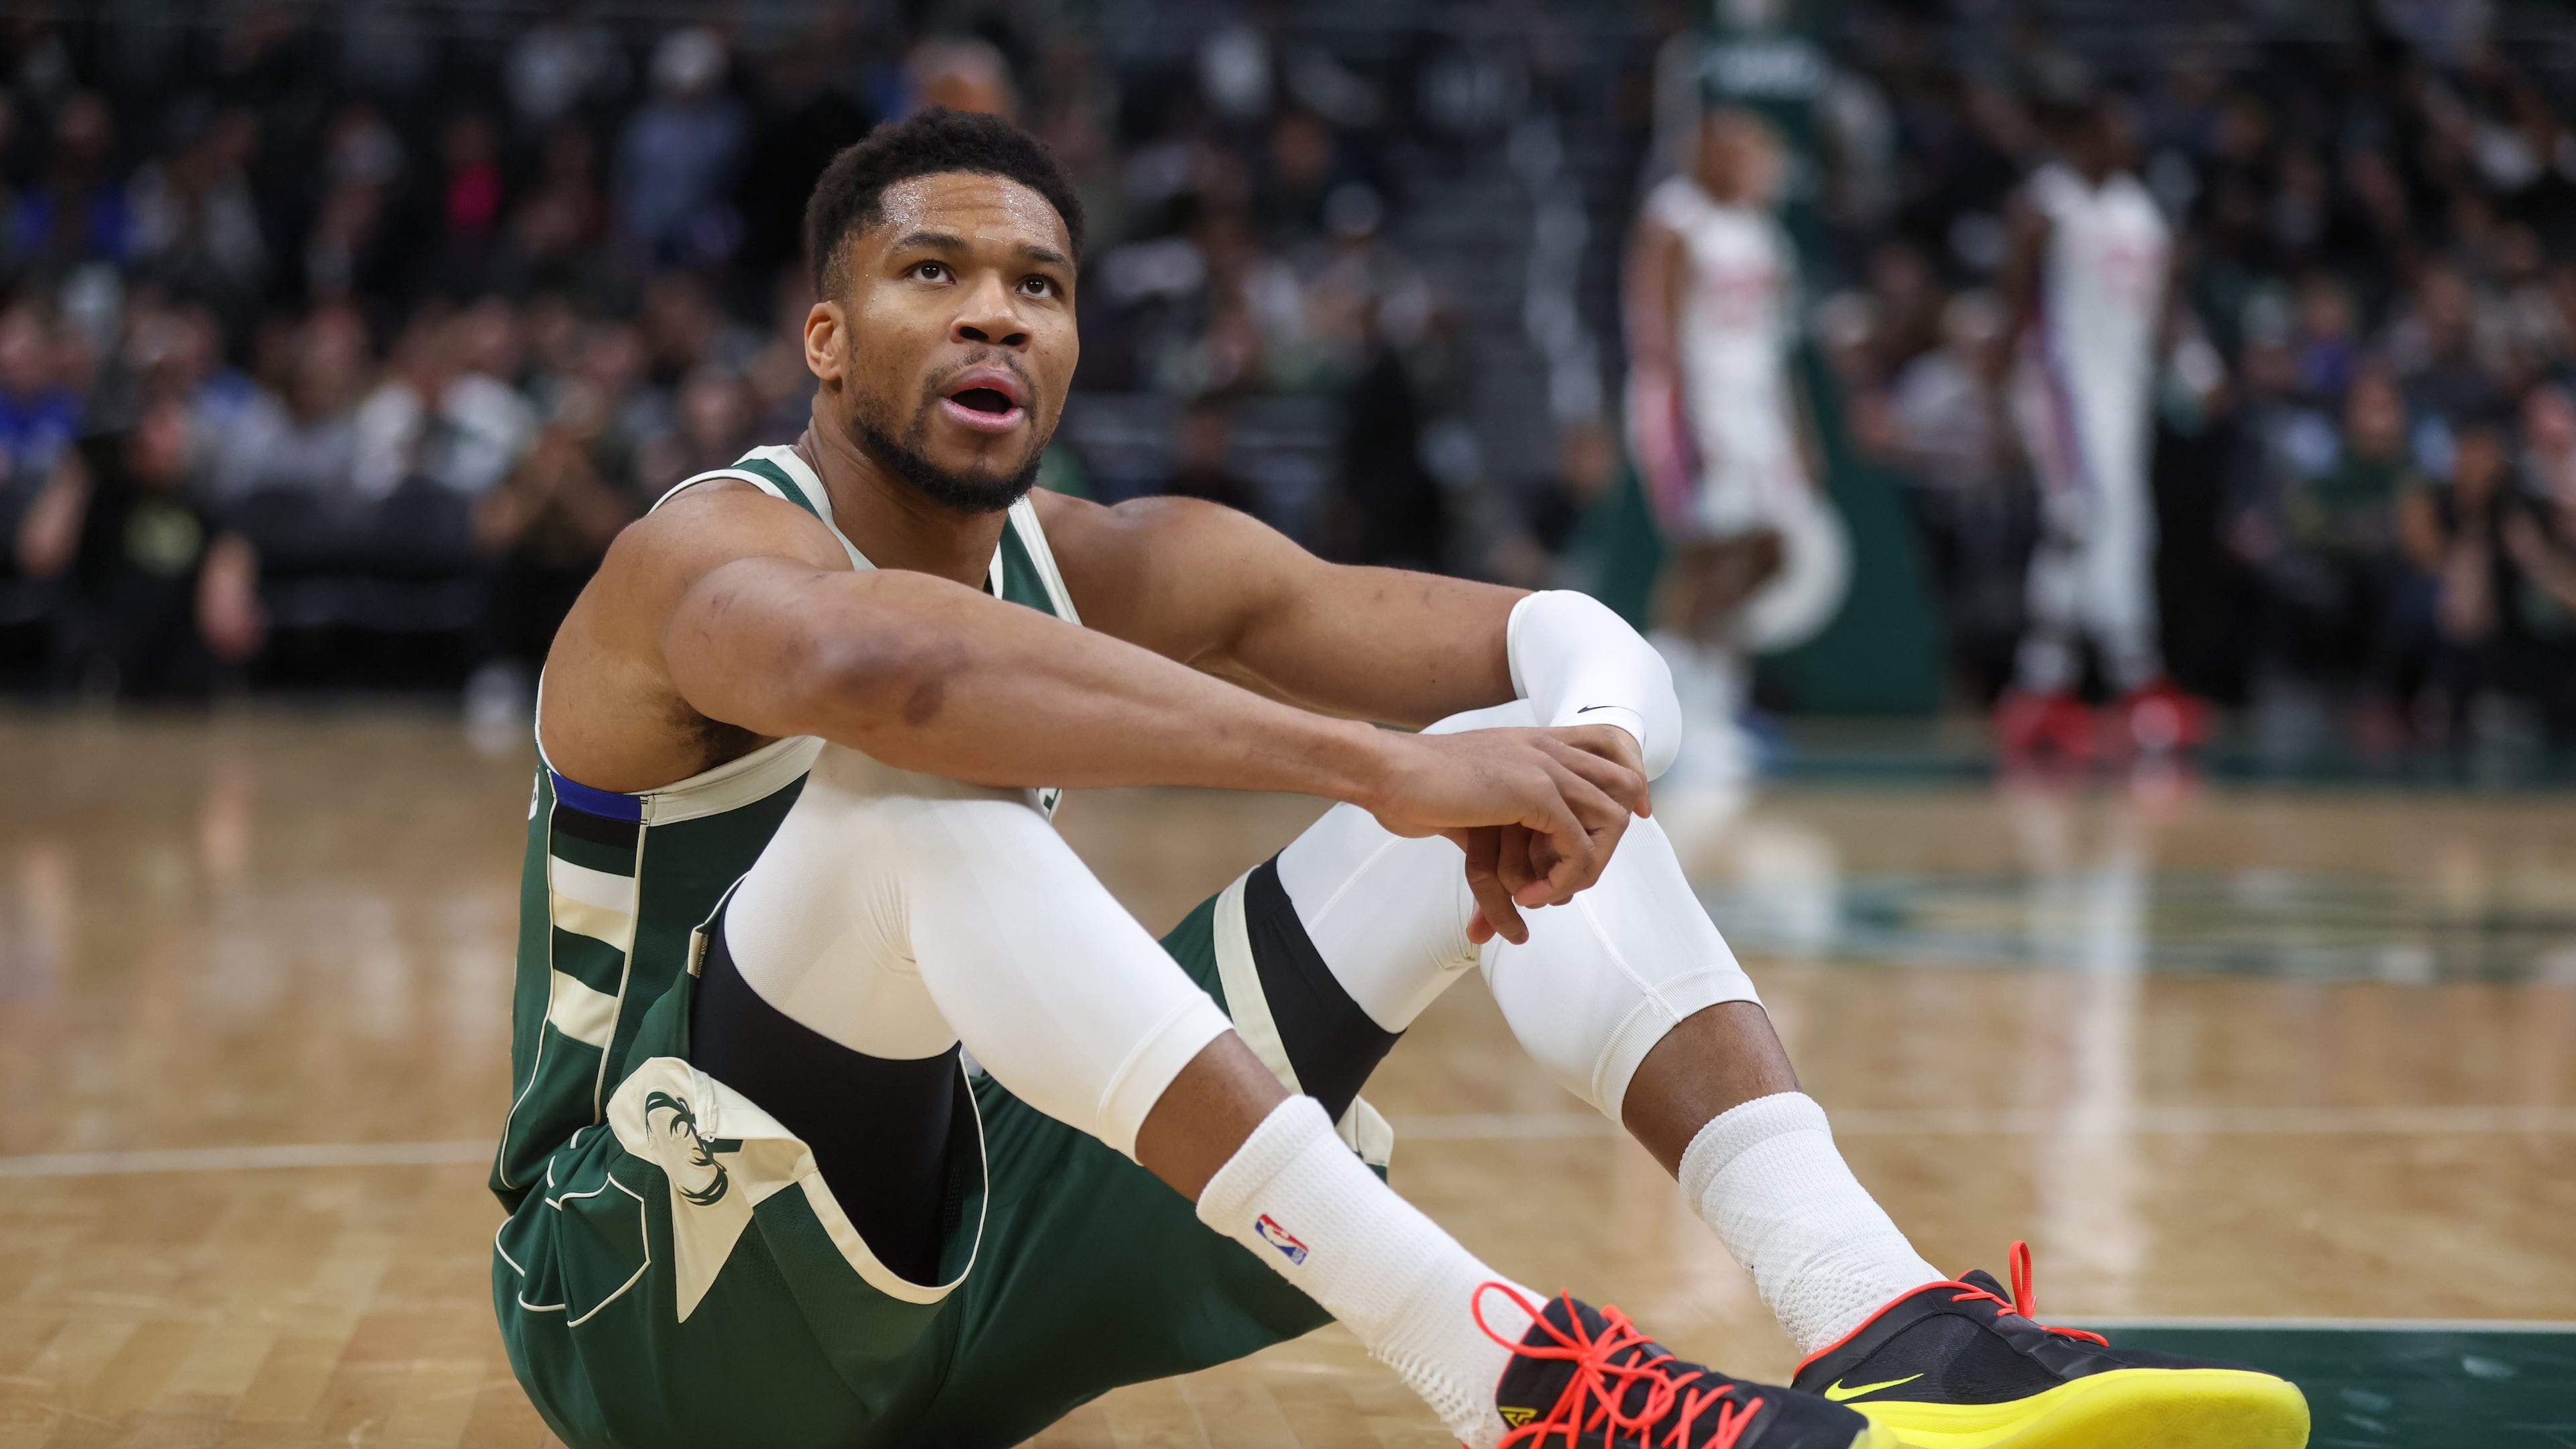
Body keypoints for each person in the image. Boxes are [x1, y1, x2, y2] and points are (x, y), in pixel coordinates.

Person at [490, 108, 2306, 1449]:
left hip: (970, 1269)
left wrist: (1570, 756)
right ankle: (1520, 1383)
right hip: (655, 1315)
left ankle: (1884, 1317)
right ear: (825, 339)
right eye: (933, 275)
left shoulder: (1102, 550)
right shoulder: (704, 551)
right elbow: (888, 675)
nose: (996, 318)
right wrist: (1362, 765)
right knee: (910, 805)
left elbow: (1562, 637)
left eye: (1036, 286)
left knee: (1495, 773)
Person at [1624, 107, 1849, 782]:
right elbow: (1653, 329)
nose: (1768, 172)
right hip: (1697, 407)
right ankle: (1668, 703)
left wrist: (1800, 432)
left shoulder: (1764, 235)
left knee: (1769, 549)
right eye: (1755, 157)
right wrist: (1689, 420)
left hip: (1759, 412)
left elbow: (1779, 349)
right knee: (1704, 553)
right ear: (1714, 156)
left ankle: (1710, 693)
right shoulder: (1675, 219)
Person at [1994, 95, 2197, 763]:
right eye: (2115, 135)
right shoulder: (2048, 205)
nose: (2128, 147)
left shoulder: (2142, 212)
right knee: (2079, 522)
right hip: (2064, 388)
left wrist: (2196, 365)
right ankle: (2046, 688)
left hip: (2125, 391)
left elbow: (2164, 307)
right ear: (2083, 139)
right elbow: (2012, 299)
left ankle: (2118, 681)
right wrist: (1999, 395)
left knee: (2129, 529)